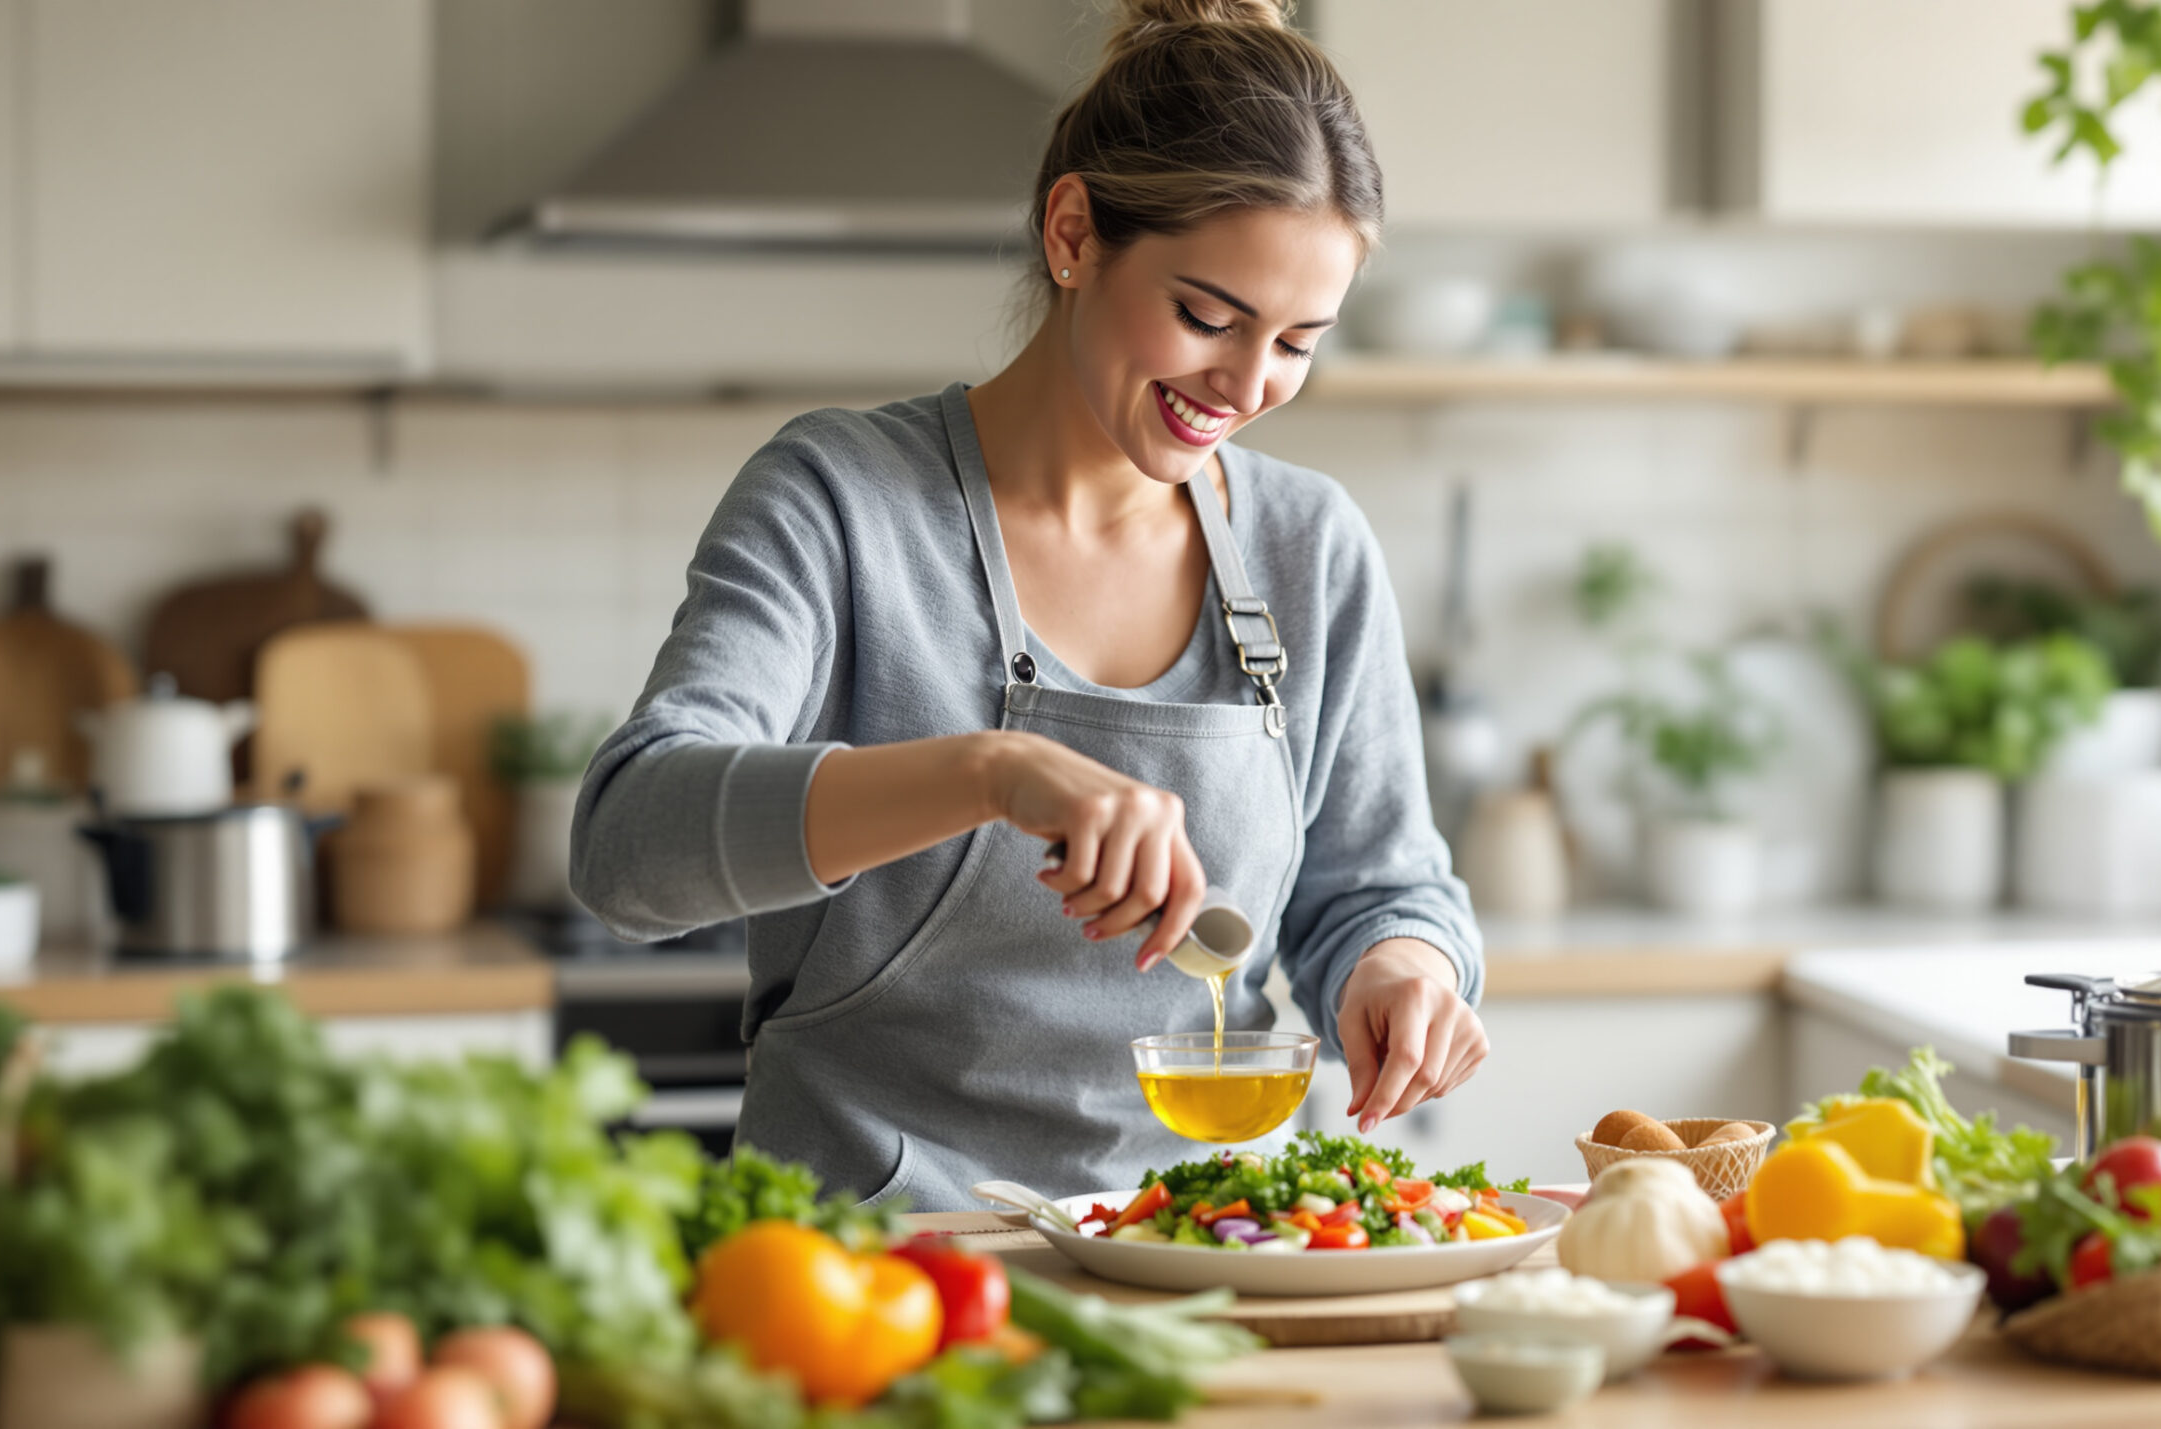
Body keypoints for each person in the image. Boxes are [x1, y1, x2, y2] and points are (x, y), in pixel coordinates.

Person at [572, 0, 1486, 1210]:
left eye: (1297, 341)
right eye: (1207, 317)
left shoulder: (1305, 545)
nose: (1247, 384)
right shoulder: (842, 501)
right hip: (875, 1265)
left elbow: (1380, 882)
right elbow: (626, 845)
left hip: (1218, 1248)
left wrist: (1401, 966)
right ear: (1072, 231)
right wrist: (992, 773)